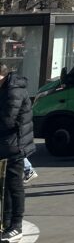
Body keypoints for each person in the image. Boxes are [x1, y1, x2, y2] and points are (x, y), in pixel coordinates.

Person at [0, 63, 34, 242]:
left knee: (14, 185)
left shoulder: (13, 90)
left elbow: (7, 120)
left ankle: (16, 225)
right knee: (5, 185)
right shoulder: (6, 88)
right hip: (7, 144)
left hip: (15, 144)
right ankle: (6, 222)